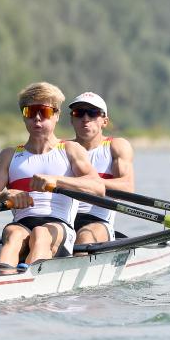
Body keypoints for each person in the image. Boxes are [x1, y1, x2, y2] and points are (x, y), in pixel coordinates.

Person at [0, 82, 105, 272]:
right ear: (23, 116)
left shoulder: (70, 149)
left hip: (59, 226)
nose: (37, 118)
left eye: (44, 112)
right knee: (13, 234)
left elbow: (98, 188)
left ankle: (27, 280)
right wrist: (5, 195)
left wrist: (56, 180)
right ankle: (2, 279)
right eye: (30, 112)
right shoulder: (9, 156)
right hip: (22, 223)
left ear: (57, 115)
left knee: (40, 233)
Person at [68, 92, 134, 245]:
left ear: (105, 121)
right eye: (79, 113)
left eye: (92, 113)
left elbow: (127, 188)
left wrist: (89, 183)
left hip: (98, 222)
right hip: (61, 219)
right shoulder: (61, 148)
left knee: (84, 236)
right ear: (72, 119)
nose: (85, 119)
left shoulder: (115, 146)